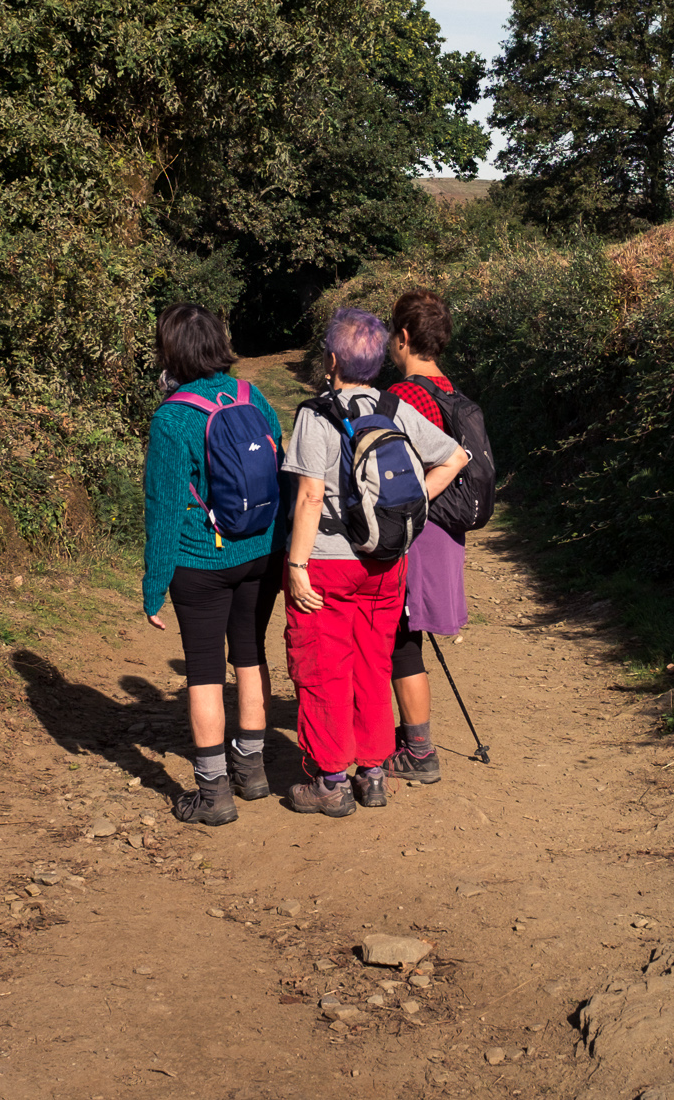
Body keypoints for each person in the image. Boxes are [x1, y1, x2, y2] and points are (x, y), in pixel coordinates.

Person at [281, 307, 470, 816]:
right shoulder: (393, 407)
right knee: (371, 663)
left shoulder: (315, 415)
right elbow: (455, 457)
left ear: (333, 359)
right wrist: (416, 507)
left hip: (328, 564)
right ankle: (372, 774)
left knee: (325, 667)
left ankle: (330, 783)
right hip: (387, 562)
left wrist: (296, 567)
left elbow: (308, 498)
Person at [141, 303, 284, 826]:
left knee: (204, 669)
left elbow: (162, 506)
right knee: (249, 655)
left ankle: (213, 793)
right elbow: (277, 473)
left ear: (170, 350)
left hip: (201, 559)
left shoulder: (173, 416)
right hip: (258, 552)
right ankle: (253, 771)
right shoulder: (255, 398)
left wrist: (154, 584)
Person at [382, 289, 468, 785]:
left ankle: (418, 749)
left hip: (416, 526)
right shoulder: (448, 390)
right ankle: (413, 742)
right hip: (445, 528)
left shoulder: (403, 396)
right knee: (405, 635)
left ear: (405, 337)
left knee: (397, 637)